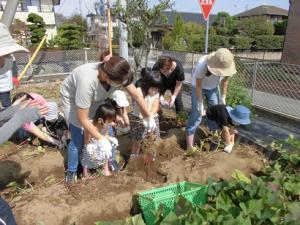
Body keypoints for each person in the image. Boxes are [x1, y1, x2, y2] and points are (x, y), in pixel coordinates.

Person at [60, 56, 157, 184]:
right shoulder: (87, 81)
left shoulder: (117, 73)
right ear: (107, 77)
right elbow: (82, 119)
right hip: (73, 99)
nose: (123, 86)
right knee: (78, 136)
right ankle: (72, 171)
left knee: (107, 130)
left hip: (96, 98)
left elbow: (137, 95)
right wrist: (100, 139)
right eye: (120, 84)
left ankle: (110, 162)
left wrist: (148, 117)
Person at [185, 48, 237, 149]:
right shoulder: (202, 65)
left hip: (213, 88)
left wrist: (223, 96)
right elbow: (199, 86)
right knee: (197, 114)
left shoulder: (227, 63)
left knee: (216, 114)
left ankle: (214, 140)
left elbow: (224, 81)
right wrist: (200, 103)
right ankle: (189, 146)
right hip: (198, 87)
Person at [129, 68, 162, 156]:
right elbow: (141, 108)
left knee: (153, 140)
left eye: (157, 89)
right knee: (137, 142)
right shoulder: (139, 91)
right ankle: (134, 160)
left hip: (152, 120)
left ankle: (152, 158)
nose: (154, 91)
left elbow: (155, 106)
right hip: (138, 120)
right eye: (152, 88)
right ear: (146, 84)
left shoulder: (156, 93)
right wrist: (147, 118)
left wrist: (150, 118)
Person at [81, 103, 117, 177]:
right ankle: (86, 171)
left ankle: (105, 168)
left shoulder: (106, 126)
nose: (112, 123)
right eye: (110, 121)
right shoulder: (89, 126)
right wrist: (91, 145)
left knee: (106, 151)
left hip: (100, 145)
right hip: (90, 146)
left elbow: (105, 135)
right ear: (100, 120)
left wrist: (110, 138)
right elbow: (86, 140)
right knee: (87, 157)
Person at [0, 22, 29, 109]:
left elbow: (13, 65)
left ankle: (8, 113)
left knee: (6, 102)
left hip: (4, 83)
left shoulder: (10, 57)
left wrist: (15, 77)